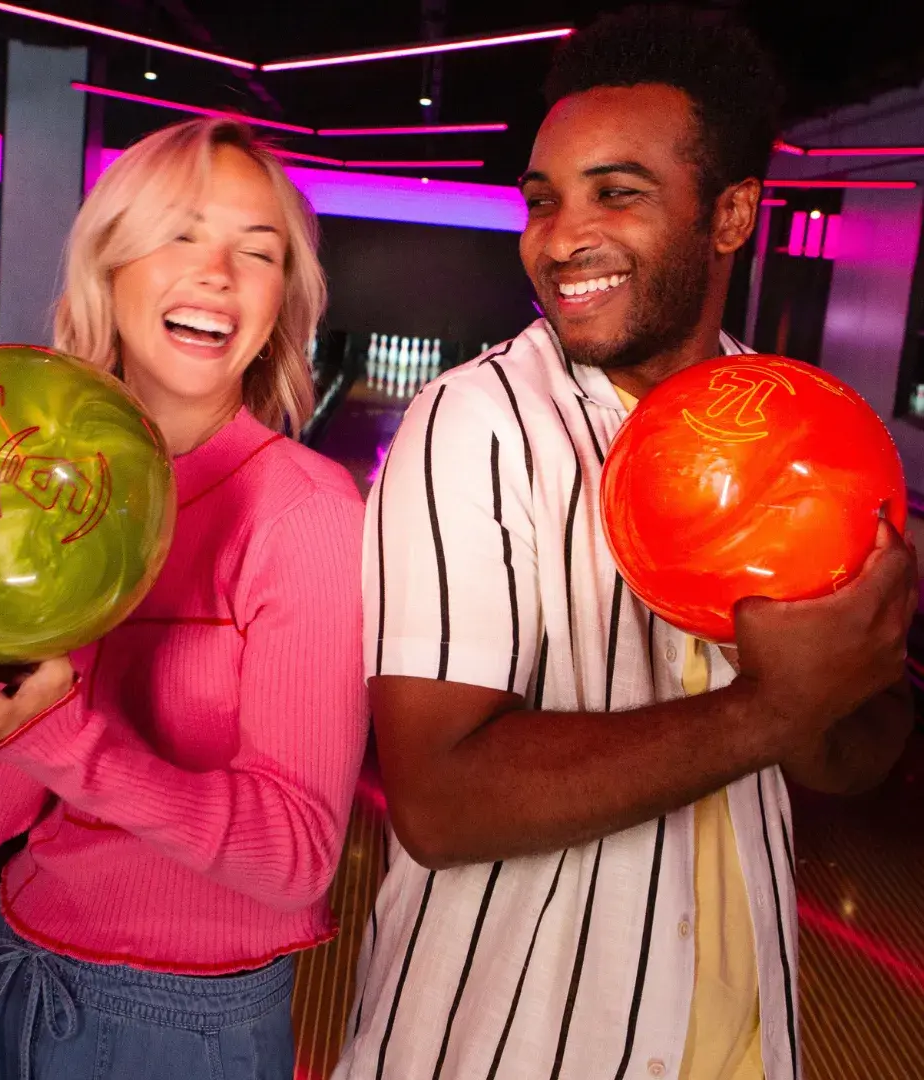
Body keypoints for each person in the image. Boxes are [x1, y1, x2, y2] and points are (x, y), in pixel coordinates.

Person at [334, 8, 917, 1080]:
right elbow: (441, 799)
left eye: (618, 191)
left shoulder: (809, 431)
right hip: (512, 1048)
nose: (559, 238)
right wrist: (775, 704)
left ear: (731, 212)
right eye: (544, 199)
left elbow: (857, 751)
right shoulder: (475, 423)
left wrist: (846, 685)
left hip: (741, 1038)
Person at [0, 118, 368, 1080]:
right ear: (110, 267)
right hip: (14, 963)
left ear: (279, 301)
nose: (217, 270)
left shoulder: (304, 514)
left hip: (181, 1025)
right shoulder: (35, 493)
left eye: (257, 252)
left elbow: (298, 856)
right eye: (181, 232)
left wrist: (59, 738)